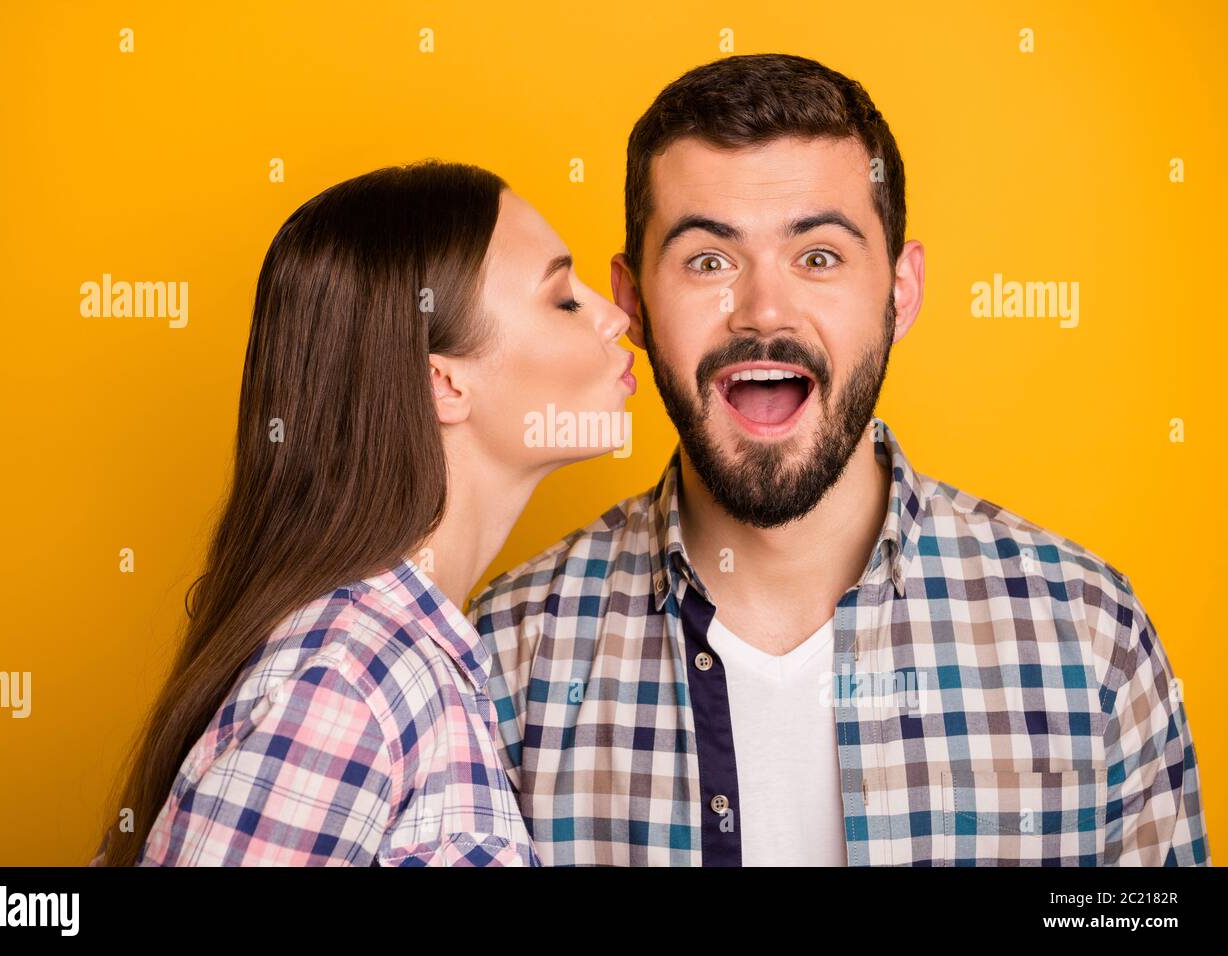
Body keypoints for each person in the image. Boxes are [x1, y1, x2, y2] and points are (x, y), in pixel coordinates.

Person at [469, 54, 1211, 866]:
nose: (764, 311)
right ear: (634, 301)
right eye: (708, 261)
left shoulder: (1090, 638)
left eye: (818, 256)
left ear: (900, 292)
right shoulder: (505, 661)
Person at [96, 161, 635, 866]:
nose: (616, 315)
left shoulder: (410, 660)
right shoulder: (354, 679)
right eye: (563, 299)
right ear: (444, 381)